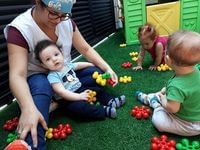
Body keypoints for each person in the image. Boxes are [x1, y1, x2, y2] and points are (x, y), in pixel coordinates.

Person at [3, 0, 119, 149]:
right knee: (41, 90)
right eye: (53, 13)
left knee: (97, 72)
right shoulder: (20, 29)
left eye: (63, 15)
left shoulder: (67, 22)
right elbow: (17, 75)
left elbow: (86, 49)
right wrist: (28, 108)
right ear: (38, 2)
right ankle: (31, 145)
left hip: (65, 75)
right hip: (40, 80)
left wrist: (108, 69)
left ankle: (60, 101)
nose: (58, 20)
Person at [35, 39, 125, 120]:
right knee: (80, 108)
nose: (54, 59)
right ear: (43, 65)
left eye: (56, 54)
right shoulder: (52, 76)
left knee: (97, 90)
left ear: (61, 53)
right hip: (68, 99)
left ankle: (111, 100)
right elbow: (62, 92)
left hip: (80, 88)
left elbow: (77, 65)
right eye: (48, 59)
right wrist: (79, 97)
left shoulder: (66, 65)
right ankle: (104, 111)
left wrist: (91, 64)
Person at [135, 30, 200, 136]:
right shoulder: (196, 71)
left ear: (168, 59)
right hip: (193, 112)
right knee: (163, 93)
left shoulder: (177, 86)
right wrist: (166, 92)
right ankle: (149, 97)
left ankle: (155, 104)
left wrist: (164, 100)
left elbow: (172, 108)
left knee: (158, 122)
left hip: (189, 124)